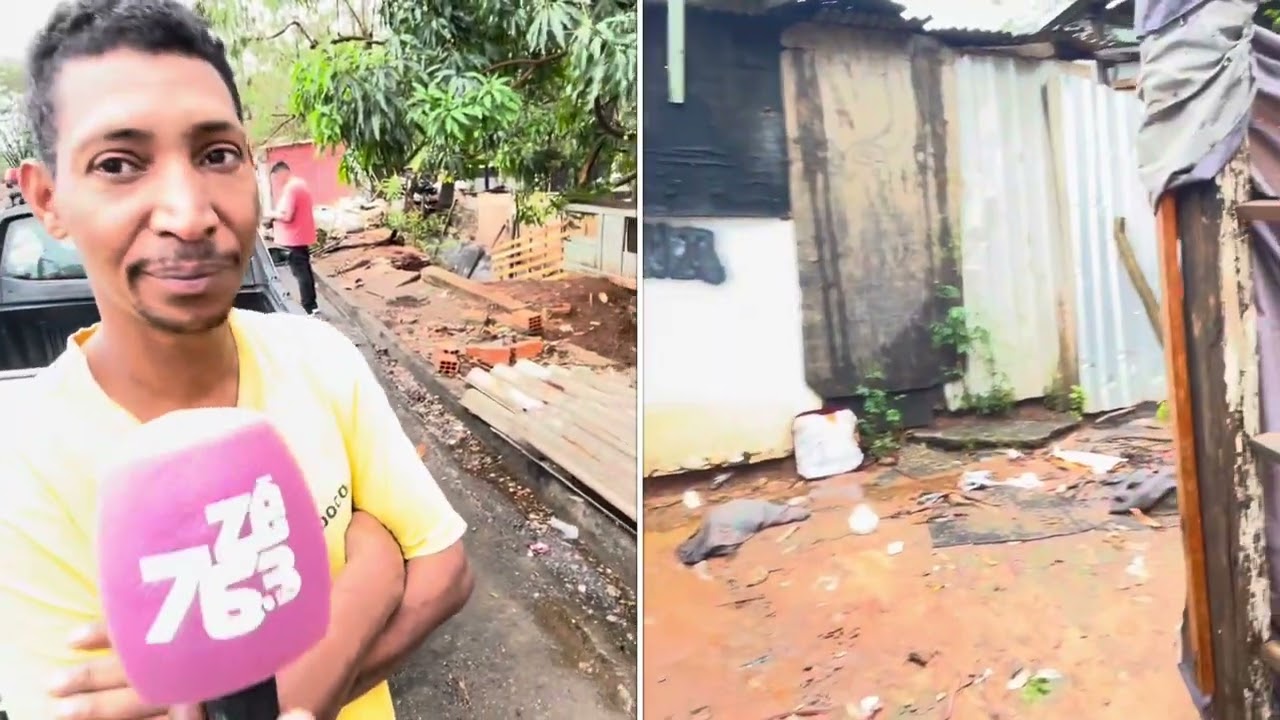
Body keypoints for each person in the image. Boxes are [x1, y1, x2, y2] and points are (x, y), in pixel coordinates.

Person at [0, 1, 474, 719]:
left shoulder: (319, 359)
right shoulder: (26, 474)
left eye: (216, 155)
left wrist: (234, 694)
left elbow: (444, 570)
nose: (188, 214)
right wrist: (368, 580)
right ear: (47, 199)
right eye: (119, 164)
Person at [266, 161, 319, 315]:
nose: (276, 182)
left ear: (282, 173)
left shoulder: (291, 188)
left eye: (276, 178)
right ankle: (311, 304)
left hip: (294, 239)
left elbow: (287, 215)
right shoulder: (299, 184)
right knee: (304, 271)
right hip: (300, 236)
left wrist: (271, 214)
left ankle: (308, 306)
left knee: (301, 273)